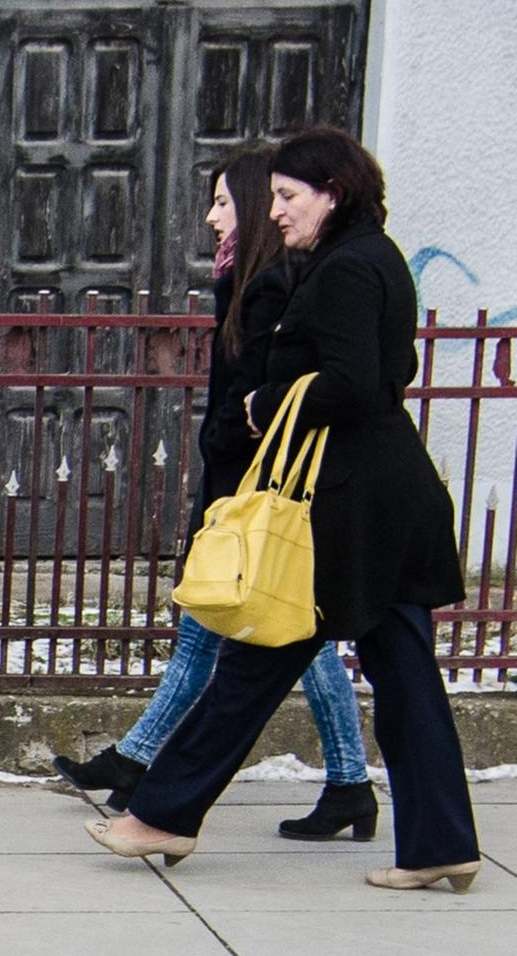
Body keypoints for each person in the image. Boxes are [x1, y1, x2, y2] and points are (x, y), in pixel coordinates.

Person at [85, 126, 480, 893]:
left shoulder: (341, 271)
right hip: (393, 497)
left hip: (345, 510)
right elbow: (395, 368)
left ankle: (162, 812)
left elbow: (357, 380)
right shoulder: (379, 260)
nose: (282, 212)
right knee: (405, 675)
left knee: (252, 662)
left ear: (334, 193)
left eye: (291, 198)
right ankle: (441, 841)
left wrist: (268, 398)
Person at [55, 144, 377, 841]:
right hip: (247, 487)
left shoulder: (269, 287)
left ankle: (344, 780)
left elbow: (259, 395)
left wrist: (228, 451)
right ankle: (139, 760)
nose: (211, 218)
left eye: (225, 202)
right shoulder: (254, 279)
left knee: (284, 630)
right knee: (219, 625)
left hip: (259, 492)